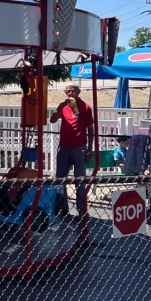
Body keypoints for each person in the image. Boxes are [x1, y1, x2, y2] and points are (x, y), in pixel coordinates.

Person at [50, 83, 95, 213]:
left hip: (79, 147)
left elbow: (90, 128)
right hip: (64, 147)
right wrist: (62, 106)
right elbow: (52, 120)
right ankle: (63, 209)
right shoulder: (63, 106)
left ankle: (81, 210)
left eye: (72, 91)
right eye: (67, 91)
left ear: (78, 92)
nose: (70, 93)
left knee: (80, 180)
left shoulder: (85, 107)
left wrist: (89, 149)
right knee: (60, 179)